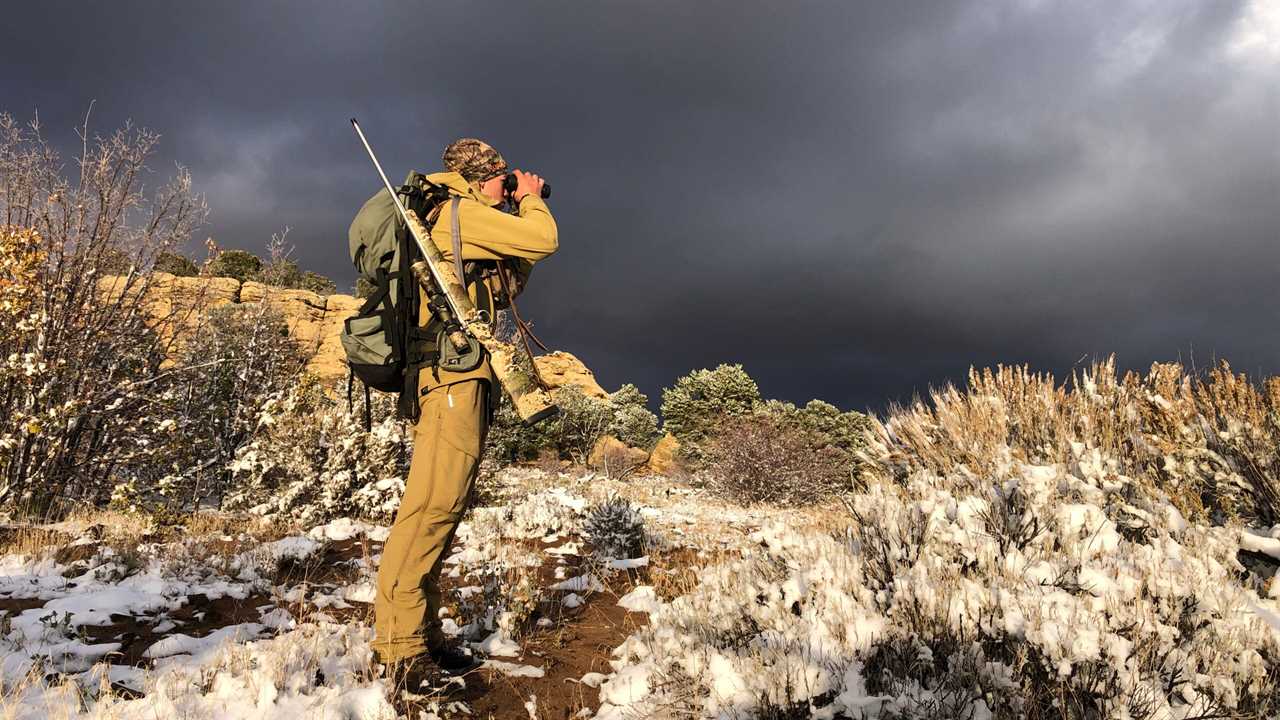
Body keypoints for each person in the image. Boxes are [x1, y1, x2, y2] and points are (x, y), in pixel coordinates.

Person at [365, 138, 557, 685]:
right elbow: (544, 239)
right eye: (501, 179)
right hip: (451, 378)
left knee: (444, 505)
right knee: (431, 504)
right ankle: (399, 647)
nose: (509, 186)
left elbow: (512, 277)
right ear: (479, 178)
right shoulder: (460, 212)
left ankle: (421, 633)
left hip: (462, 376)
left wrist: (512, 207)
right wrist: (533, 199)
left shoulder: (461, 218)